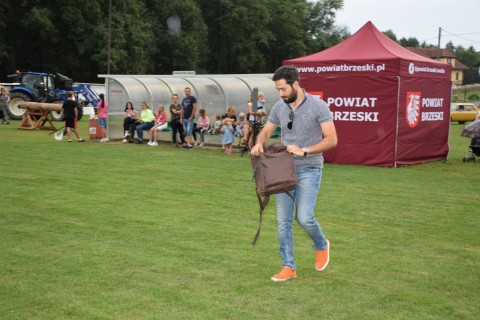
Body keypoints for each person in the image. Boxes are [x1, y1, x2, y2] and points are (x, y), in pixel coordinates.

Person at [250, 65, 337, 282]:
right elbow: (267, 131)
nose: (280, 94)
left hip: (310, 168)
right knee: (283, 221)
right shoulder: (280, 107)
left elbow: (331, 140)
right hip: (283, 169)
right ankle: (288, 266)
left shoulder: (319, 106)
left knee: (305, 218)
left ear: (295, 84)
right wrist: (259, 144)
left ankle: (321, 244)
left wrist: (305, 150)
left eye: (283, 89)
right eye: (278, 90)